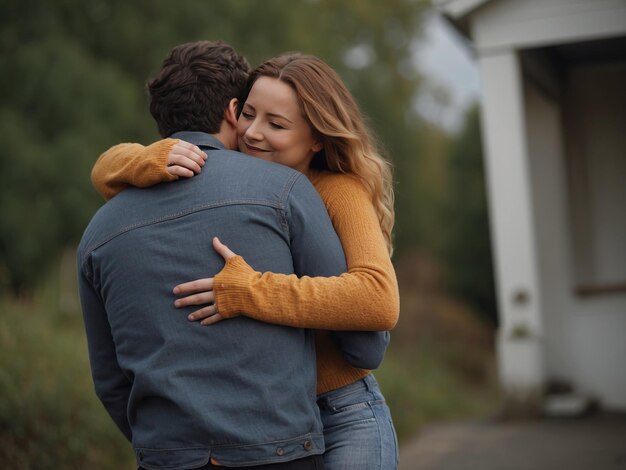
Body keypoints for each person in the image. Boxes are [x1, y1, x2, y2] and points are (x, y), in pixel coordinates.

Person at [78, 40, 384, 470]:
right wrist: (141, 159)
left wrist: (251, 291)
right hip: (287, 430)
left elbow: (376, 309)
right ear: (232, 111)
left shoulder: (337, 190)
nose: (255, 132)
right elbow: (106, 167)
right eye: (249, 115)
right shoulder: (261, 182)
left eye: (276, 123)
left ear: (316, 137)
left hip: (343, 409)